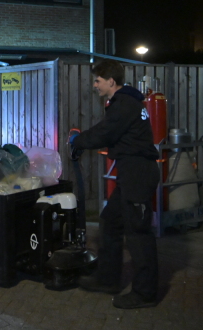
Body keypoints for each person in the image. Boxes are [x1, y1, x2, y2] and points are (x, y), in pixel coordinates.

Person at [69, 59, 161, 309]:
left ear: (111, 81)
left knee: (138, 233)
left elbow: (105, 133)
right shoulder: (128, 102)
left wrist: (78, 141)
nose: (95, 85)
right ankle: (108, 279)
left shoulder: (124, 104)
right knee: (110, 221)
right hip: (132, 172)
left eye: (97, 81)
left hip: (138, 173)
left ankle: (145, 293)